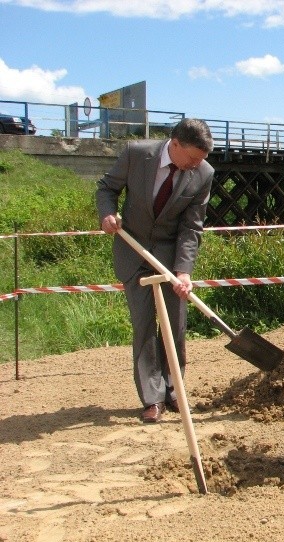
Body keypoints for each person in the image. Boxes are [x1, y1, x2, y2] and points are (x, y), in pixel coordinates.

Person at [96, 118, 215, 423]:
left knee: (175, 324)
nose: (195, 165)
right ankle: (152, 398)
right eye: (191, 158)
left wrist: (184, 270)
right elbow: (107, 187)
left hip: (171, 256)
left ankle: (174, 390)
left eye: (201, 160)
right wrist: (107, 213)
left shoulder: (203, 173)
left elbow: (192, 226)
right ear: (175, 144)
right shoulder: (137, 154)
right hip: (133, 250)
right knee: (144, 326)